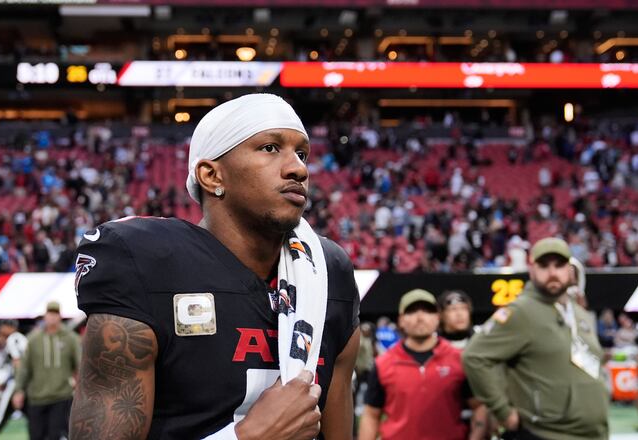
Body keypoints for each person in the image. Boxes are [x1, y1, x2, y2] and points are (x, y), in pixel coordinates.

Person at [71, 93, 360, 439]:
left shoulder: (327, 274)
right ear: (211, 175)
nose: (298, 168)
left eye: (301, 153)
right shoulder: (145, 261)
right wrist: (246, 437)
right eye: (269, 148)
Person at [463, 237, 609, 440]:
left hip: (591, 433)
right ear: (532, 270)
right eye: (544, 265)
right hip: (545, 434)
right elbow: (474, 356)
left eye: (559, 265)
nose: (552, 273)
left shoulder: (579, 314)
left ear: (569, 269)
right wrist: (503, 412)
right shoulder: (521, 311)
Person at [358, 289, 485, 440]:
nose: (420, 317)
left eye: (427, 311)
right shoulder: (384, 364)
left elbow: (479, 406)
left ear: (438, 317)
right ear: (401, 320)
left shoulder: (458, 359)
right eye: (412, 312)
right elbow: (371, 415)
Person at [13, 302, 81, 440]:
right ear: (45, 316)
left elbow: (79, 366)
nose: (52, 317)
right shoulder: (33, 339)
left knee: (56, 435)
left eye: (55, 314)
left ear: (60, 316)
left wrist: (82, 389)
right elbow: (25, 367)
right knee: (36, 435)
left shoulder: (71, 338)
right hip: (37, 397)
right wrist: (19, 390)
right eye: (50, 314)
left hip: (61, 396)